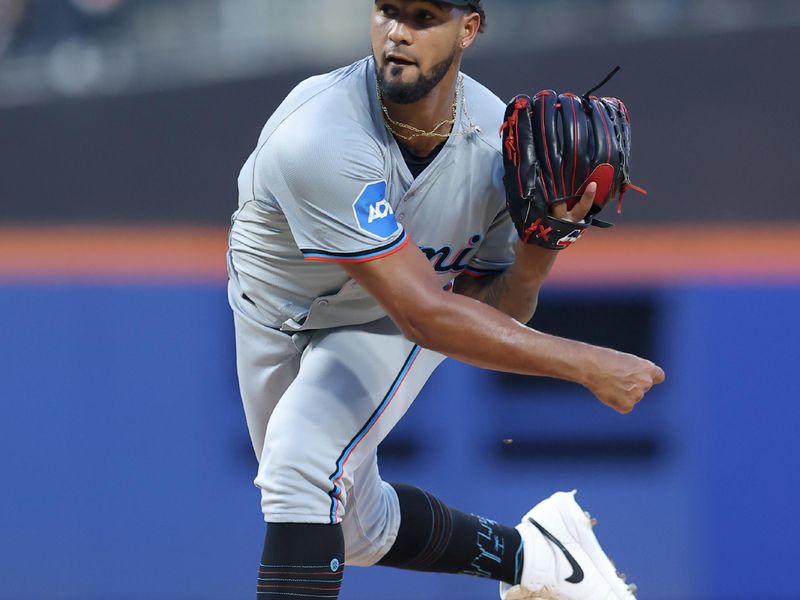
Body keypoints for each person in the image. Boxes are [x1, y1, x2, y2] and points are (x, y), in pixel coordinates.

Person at [227, 1, 665, 598]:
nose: (399, 33)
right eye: (388, 11)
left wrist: (538, 256)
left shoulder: (495, 147)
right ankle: (537, 557)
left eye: (425, 16)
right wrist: (586, 364)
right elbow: (427, 314)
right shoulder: (318, 133)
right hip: (274, 313)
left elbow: (484, 311)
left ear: (468, 28)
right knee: (353, 528)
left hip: (386, 315)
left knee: (299, 465)